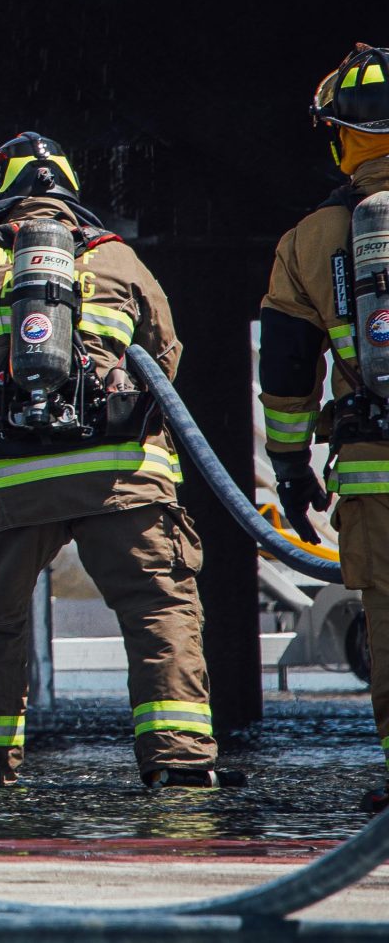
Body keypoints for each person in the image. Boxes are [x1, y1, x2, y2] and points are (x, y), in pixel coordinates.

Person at [0, 134, 216, 788]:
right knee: (159, 612)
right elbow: (166, 357)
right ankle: (179, 765)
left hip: (7, 480)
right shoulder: (118, 258)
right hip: (122, 474)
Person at [261, 45, 389, 810]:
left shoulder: (309, 239)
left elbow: (286, 367)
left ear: (341, 136)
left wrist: (289, 464)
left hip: (374, 468)